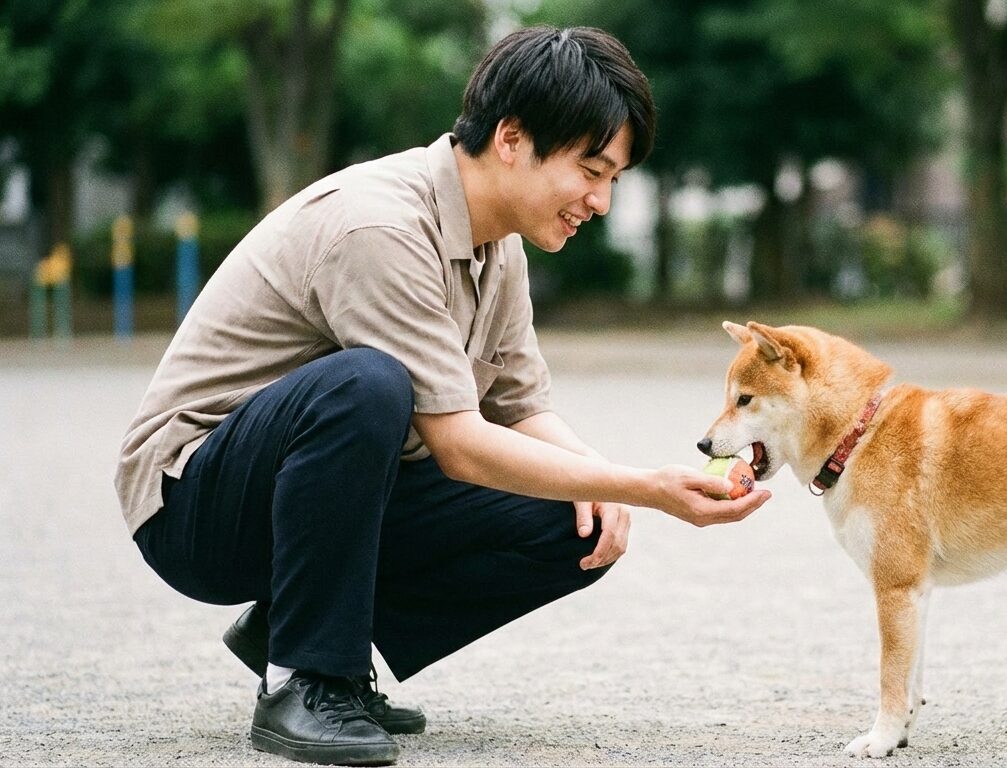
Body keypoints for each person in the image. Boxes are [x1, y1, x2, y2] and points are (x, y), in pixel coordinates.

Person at [116, 26, 770, 767]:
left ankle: (295, 626)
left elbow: (521, 409)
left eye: (614, 178)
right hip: (194, 504)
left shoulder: (503, 246)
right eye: (592, 170)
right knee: (367, 384)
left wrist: (612, 484)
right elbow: (458, 444)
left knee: (577, 518)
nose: (602, 201)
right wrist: (646, 488)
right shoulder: (379, 225)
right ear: (513, 138)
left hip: (308, 501)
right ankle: (304, 679)